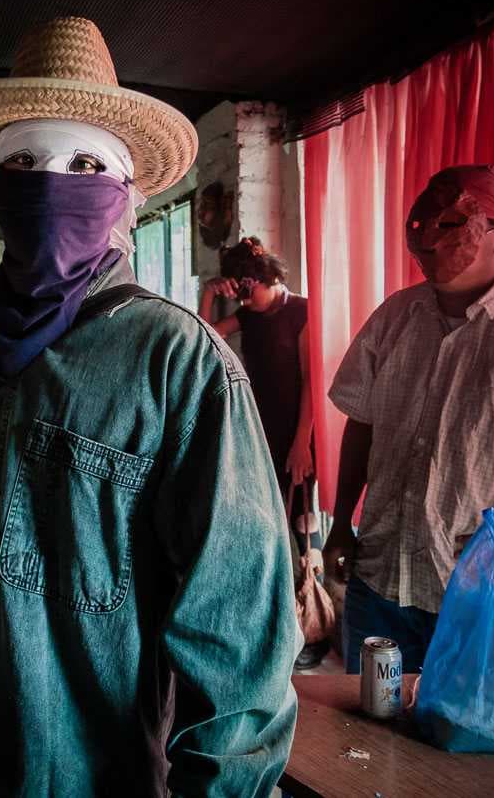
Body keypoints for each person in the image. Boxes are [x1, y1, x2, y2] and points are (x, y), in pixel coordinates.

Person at [0, 16, 299, 797]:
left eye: (85, 162)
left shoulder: (181, 365)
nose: (50, 181)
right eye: (22, 161)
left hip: (79, 773)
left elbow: (239, 651)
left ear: (124, 195)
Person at [323, 164, 494, 673]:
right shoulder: (395, 317)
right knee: (371, 735)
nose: (431, 241)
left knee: (474, 745)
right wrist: (342, 521)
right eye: (423, 225)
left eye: (453, 225)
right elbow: (363, 420)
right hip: (383, 579)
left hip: (490, 591)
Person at [199, 238, 325, 668]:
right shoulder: (248, 318)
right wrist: (209, 296)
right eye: (237, 292)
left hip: (299, 433)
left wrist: (302, 444)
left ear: (268, 278)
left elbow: (312, 381)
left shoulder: (302, 311)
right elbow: (204, 341)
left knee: (303, 525)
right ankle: (280, 628)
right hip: (260, 430)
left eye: (247, 290)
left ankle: (312, 625)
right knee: (267, 527)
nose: (244, 299)